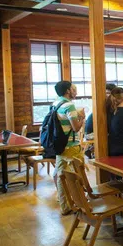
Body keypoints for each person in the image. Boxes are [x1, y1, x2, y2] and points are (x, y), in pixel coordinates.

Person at [50, 81, 86, 215]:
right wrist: (81, 117)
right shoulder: (69, 105)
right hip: (71, 146)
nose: (74, 91)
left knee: (61, 175)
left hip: (60, 144)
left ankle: (66, 203)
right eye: (72, 88)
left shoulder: (56, 103)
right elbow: (76, 128)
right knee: (75, 175)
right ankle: (75, 203)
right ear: (67, 91)